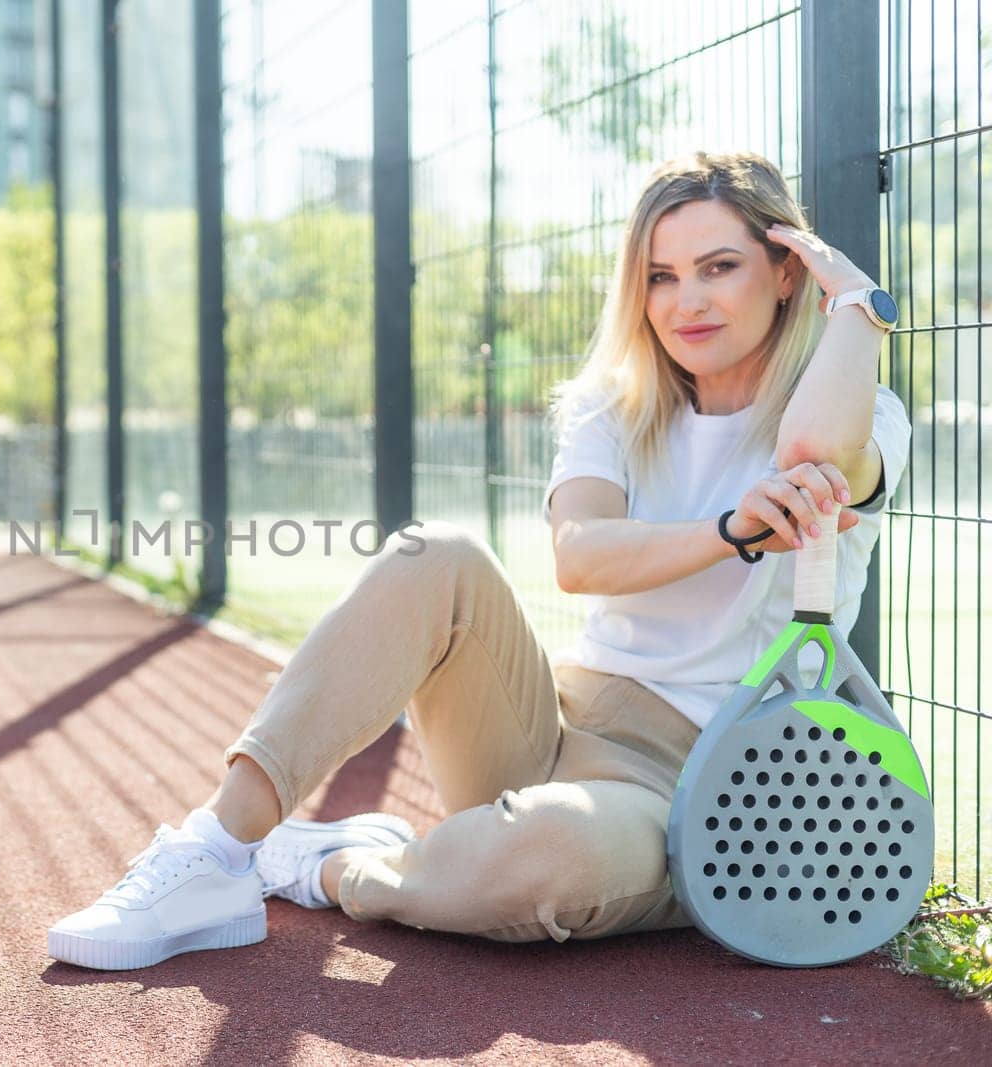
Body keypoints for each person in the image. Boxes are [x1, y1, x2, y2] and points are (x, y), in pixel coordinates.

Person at [46, 151, 912, 971]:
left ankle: (342, 864)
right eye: (660, 275)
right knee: (437, 552)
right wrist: (726, 528)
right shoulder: (614, 407)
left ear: (786, 270)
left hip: (711, 779)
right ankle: (218, 850)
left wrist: (859, 305)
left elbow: (813, 451)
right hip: (558, 724)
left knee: (559, 857)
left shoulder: (865, 413)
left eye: (720, 266)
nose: (687, 300)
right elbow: (579, 556)